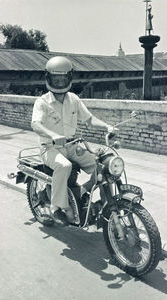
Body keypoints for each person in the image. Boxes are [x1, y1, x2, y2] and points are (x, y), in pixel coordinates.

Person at [31, 56, 116, 226]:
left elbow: (90, 119)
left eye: (63, 78)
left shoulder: (74, 99)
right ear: (49, 78)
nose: (60, 82)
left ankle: (86, 194)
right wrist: (52, 134)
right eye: (56, 78)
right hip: (50, 148)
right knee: (64, 166)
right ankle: (57, 208)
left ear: (69, 78)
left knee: (103, 166)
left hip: (72, 145)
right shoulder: (42, 102)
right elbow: (35, 124)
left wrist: (107, 127)